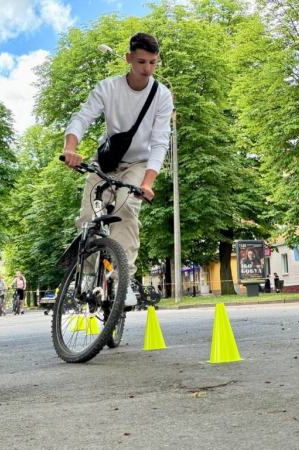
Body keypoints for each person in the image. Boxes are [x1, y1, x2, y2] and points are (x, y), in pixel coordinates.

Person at [62, 33, 173, 309]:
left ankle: (122, 282)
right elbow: (83, 117)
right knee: (89, 216)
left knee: (124, 213)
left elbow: (160, 142)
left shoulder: (161, 95)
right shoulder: (107, 88)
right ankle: (87, 277)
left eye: (153, 63)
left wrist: (148, 183)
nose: (147, 69)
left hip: (138, 165)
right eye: (141, 61)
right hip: (106, 161)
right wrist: (70, 148)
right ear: (128, 59)